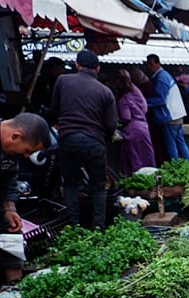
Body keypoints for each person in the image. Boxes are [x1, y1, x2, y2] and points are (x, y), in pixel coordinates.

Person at [50, 50, 118, 230]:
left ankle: (73, 226)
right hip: (94, 141)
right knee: (98, 186)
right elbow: (111, 124)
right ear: (98, 68)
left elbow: (54, 110)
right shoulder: (105, 92)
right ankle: (99, 228)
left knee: (71, 184)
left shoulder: (62, 81)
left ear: (76, 64)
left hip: (68, 139)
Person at [0, 113, 50, 283]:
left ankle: (14, 292)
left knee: (8, 229)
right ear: (15, 136)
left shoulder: (9, 152)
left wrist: (9, 208)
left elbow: (8, 178)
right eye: (27, 150)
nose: (26, 156)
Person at [144, 54, 189, 163]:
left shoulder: (161, 78)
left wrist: (144, 102)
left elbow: (160, 99)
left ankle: (174, 168)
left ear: (158, 63)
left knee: (171, 147)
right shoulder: (164, 75)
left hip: (170, 117)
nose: (149, 67)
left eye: (151, 64)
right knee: (181, 144)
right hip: (177, 115)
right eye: (148, 64)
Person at [115, 69, 155, 177]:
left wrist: (117, 123)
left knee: (135, 159)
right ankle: (151, 181)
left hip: (132, 130)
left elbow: (126, 117)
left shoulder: (123, 99)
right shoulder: (136, 92)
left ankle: (136, 182)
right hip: (144, 128)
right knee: (147, 157)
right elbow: (145, 108)